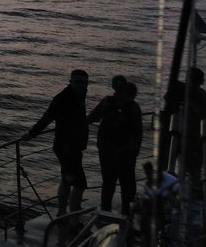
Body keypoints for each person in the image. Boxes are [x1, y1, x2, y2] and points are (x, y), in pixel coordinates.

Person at [24, 69, 90, 217]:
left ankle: (62, 213)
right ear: (70, 82)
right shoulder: (62, 98)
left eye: (84, 83)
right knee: (79, 184)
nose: (81, 85)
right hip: (66, 147)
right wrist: (32, 133)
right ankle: (73, 218)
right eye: (77, 82)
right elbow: (47, 117)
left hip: (74, 146)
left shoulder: (80, 95)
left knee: (67, 180)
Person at [89, 80, 143, 213]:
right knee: (127, 181)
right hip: (127, 150)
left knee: (108, 181)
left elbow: (92, 117)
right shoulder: (134, 107)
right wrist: (135, 150)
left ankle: (105, 209)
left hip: (106, 148)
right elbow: (138, 132)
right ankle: (126, 210)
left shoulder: (107, 101)